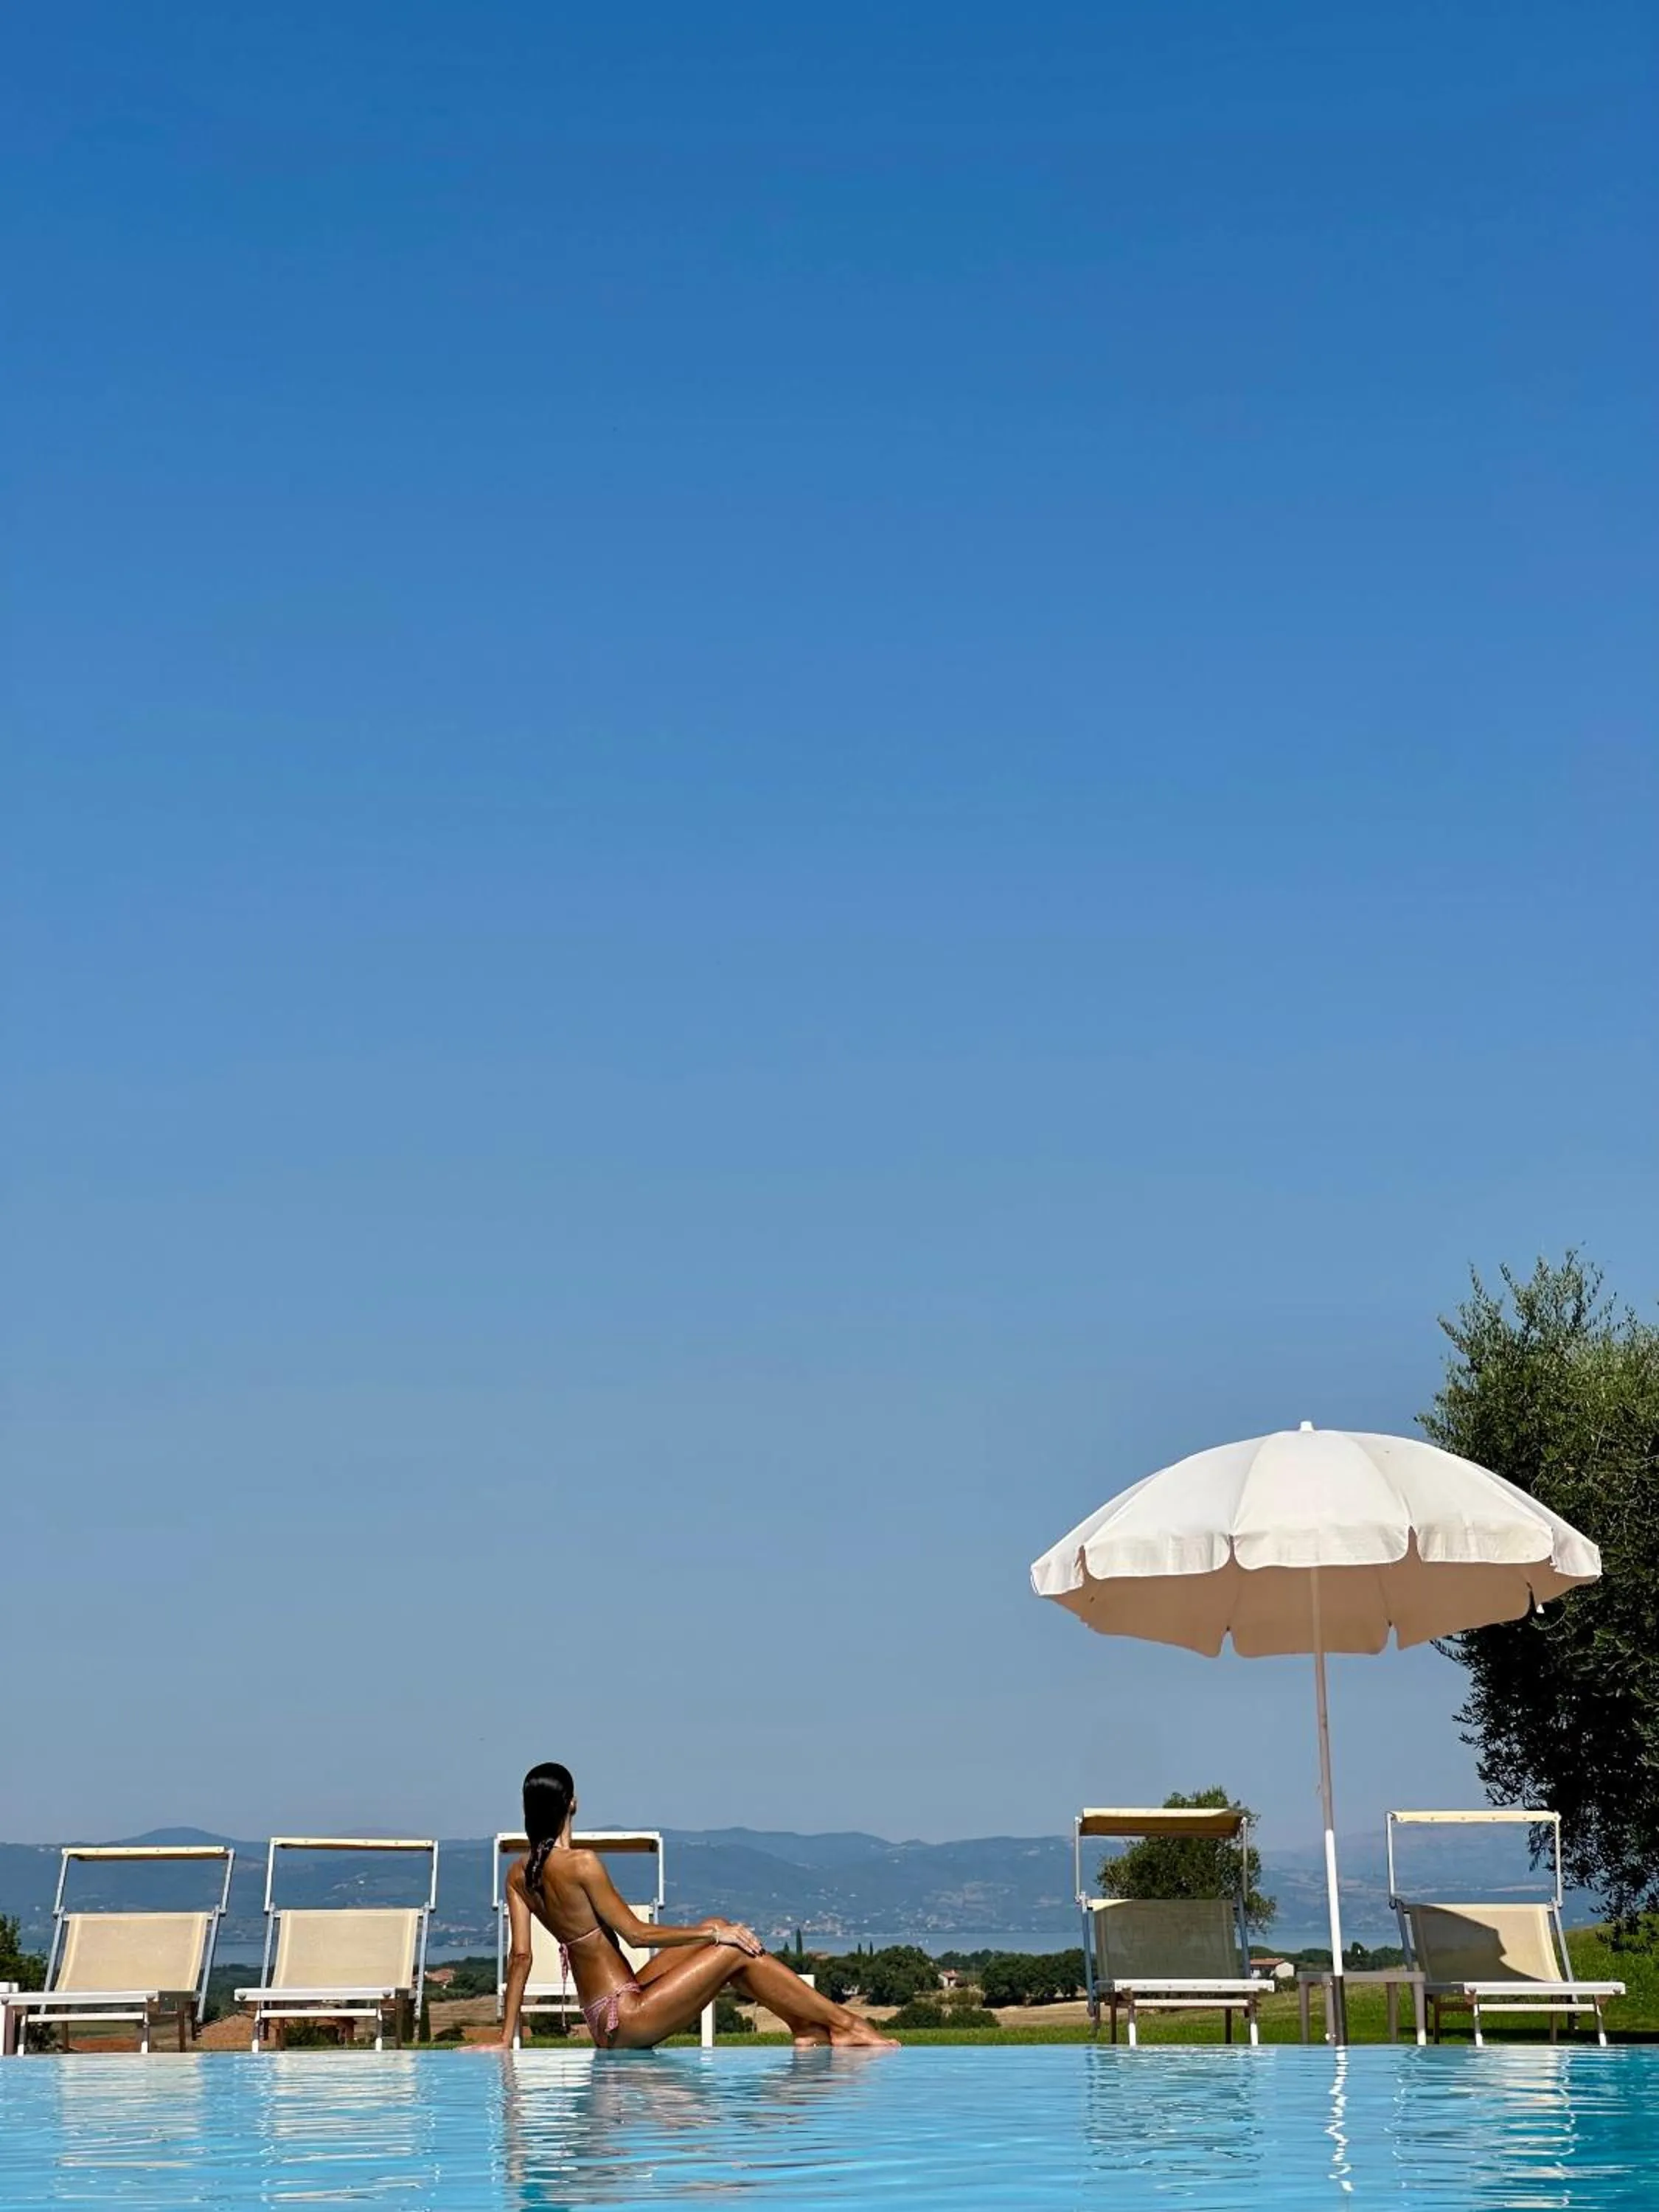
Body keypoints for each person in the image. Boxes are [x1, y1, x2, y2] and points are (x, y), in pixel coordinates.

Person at [481, 1762, 897, 2051]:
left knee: (719, 1925)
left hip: (604, 2019)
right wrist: (715, 1935)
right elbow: (636, 1934)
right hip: (626, 2017)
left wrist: (505, 2038)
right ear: (573, 1804)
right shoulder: (582, 1864)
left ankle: (804, 2025)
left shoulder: (518, 1875)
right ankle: (846, 2025)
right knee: (730, 1945)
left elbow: (520, 1957)